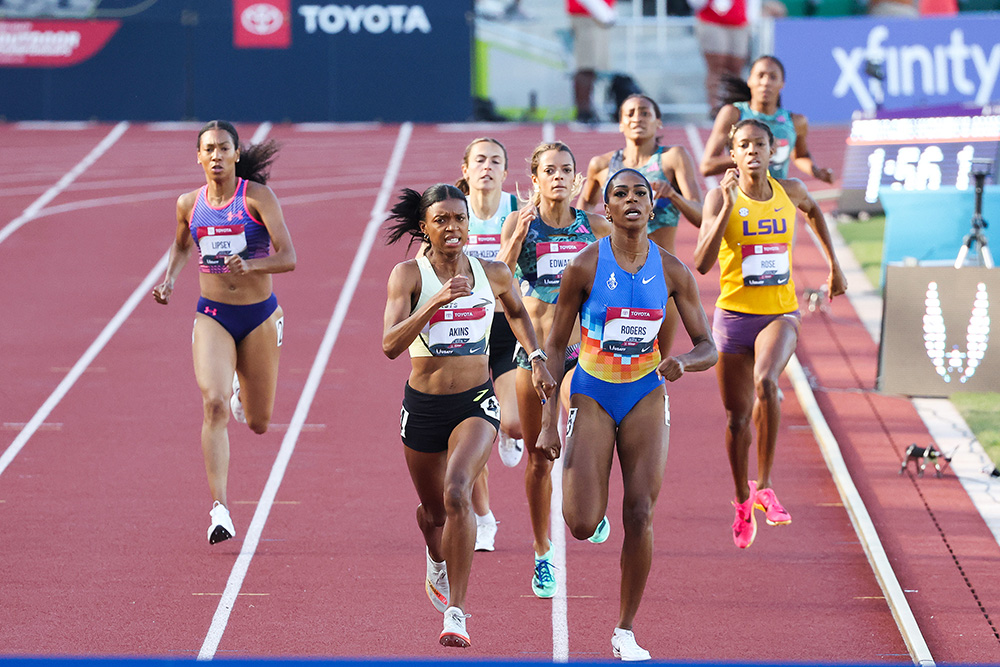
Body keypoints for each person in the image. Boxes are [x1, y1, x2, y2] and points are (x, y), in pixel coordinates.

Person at [538, 168, 717, 661]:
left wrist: (682, 361)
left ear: (651, 207)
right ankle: (590, 512)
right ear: (608, 209)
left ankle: (625, 629)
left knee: (640, 512)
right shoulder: (583, 266)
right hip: (593, 393)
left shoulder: (674, 270)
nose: (633, 200)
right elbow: (554, 348)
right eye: (621, 194)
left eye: (641, 193)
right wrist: (549, 418)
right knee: (578, 522)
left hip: (645, 394)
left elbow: (709, 346)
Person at [382, 184, 554, 648]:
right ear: (425, 228)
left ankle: (456, 612)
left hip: (476, 402)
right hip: (423, 406)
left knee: (458, 492)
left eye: (459, 218)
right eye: (442, 220)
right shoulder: (408, 276)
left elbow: (518, 312)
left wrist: (536, 358)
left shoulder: (492, 273)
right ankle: (433, 555)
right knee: (434, 513)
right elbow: (389, 345)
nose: (453, 227)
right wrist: (435, 303)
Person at [694, 119, 847, 549]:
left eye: (760, 144)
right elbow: (703, 263)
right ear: (734, 153)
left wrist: (833, 265)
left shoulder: (790, 192)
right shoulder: (718, 197)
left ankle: (766, 485)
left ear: (771, 150)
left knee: (767, 382)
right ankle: (743, 500)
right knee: (737, 418)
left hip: (780, 314)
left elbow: (815, 211)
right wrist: (724, 207)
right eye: (744, 146)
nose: (753, 152)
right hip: (733, 319)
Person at [151, 120, 296, 545]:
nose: (216, 156)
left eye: (223, 148)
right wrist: (170, 280)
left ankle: (244, 380)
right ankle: (220, 509)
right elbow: (181, 245)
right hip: (212, 314)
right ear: (198, 157)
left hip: (258, 316)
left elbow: (288, 256)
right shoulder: (187, 204)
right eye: (208, 149)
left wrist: (251, 264)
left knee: (258, 422)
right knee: (212, 406)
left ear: (236, 155)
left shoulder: (256, 198)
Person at [498, 141, 612, 599]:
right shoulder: (521, 223)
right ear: (536, 179)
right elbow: (498, 282)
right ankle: (543, 552)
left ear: (578, 179)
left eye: (568, 169)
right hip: (534, 353)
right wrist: (514, 241)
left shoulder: (597, 227)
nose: (560, 177)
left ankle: (591, 502)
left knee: (585, 429)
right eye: (551, 170)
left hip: (582, 351)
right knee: (539, 457)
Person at [578, 93, 703, 355]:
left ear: (659, 123)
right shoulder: (601, 165)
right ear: (621, 123)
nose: (638, 118)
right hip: (611, 276)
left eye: (645, 113)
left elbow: (702, 216)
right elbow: (578, 218)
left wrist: (673, 195)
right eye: (630, 113)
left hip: (660, 277)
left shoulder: (672, 158)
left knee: (657, 363)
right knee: (608, 359)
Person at [455, 137, 524, 552]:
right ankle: (483, 518)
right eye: (479, 160)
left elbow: (511, 272)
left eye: (495, 160)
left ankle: (507, 432)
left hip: (505, 330)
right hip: (466, 334)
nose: (486, 167)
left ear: (505, 171)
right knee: (472, 430)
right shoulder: (451, 214)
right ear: (465, 169)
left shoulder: (517, 212)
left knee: (512, 424)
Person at [700, 55, 835, 184]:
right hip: (742, 199)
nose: (766, 82)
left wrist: (817, 172)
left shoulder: (795, 122)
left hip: (776, 199)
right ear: (750, 80)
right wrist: (755, 153)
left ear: (782, 84)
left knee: (801, 193)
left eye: (773, 77)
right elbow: (707, 166)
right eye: (760, 75)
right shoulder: (733, 114)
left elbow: (800, 156)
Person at [692, 0, 749, 113]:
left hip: (739, 20)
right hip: (712, 19)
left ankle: (735, 105)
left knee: (736, 67)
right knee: (716, 66)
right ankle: (715, 107)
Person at [567, 0, 616, 123]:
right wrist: (602, 12)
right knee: (586, 65)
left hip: (596, 14)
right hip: (588, 13)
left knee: (593, 66)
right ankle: (583, 112)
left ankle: (588, 110)